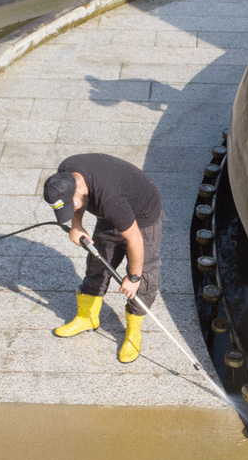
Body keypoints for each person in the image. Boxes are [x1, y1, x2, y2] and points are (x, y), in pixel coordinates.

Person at [42, 153, 163, 364]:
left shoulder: (110, 198)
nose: (74, 210)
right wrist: (76, 225)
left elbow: (134, 238)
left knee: (145, 276)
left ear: (79, 188)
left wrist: (133, 277)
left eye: (73, 207)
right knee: (98, 262)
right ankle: (88, 317)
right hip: (115, 211)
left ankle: (133, 333)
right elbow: (79, 202)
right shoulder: (65, 174)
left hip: (142, 218)